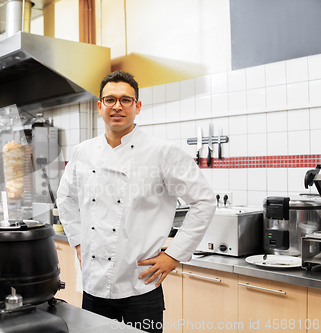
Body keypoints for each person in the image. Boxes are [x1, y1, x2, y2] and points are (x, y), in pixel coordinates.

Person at [56, 70, 216, 333]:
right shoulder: (83, 152)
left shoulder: (162, 152)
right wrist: (79, 240)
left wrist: (174, 255)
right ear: (100, 106)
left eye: (126, 100)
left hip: (140, 285)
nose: (117, 106)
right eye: (110, 100)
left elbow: (204, 201)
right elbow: (66, 197)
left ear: (137, 106)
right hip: (93, 284)